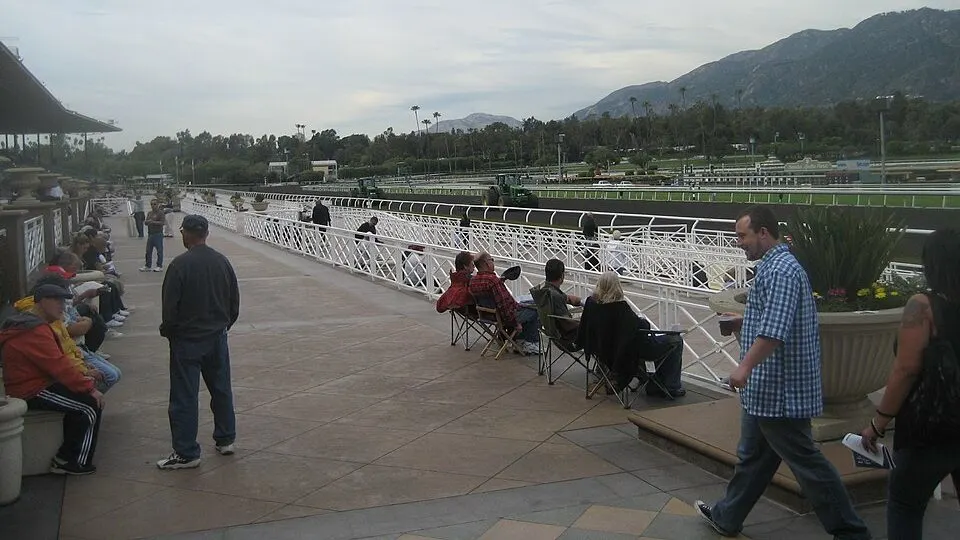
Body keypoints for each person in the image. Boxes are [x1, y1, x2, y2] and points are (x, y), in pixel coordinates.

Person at [695, 205, 870, 539]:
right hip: (766, 391)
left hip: (779, 391)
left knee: (807, 463)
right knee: (753, 458)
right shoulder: (773, 268)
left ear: (763, 233)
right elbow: (773, 316)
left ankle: (851, 531)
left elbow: (776, 330)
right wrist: (741, 321)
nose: (739, 243)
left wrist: (743, 367)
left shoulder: (782, 271)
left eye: (742, 236)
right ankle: (727, 516)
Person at [858, 228, 960, 539]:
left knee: (905, 505)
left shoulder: (923, 306)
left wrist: (878, 424)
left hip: (930, 429)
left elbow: (906, 370)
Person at [157, 215, 240, 470]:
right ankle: (226, 439)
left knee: (184, 395)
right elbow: (233, 303)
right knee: (221, 389)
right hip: (216, 336)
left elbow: (170, 309)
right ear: (206, 233)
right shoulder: (222, 262)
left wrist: (170, 332)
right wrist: (223, 325)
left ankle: (186, 451)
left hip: (188, 340)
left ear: (186, 234)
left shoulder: (180, 265)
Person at [0, 284, 105, 475]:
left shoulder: (31, 324)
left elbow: (59, 362)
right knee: (89, 406)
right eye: (56, 300)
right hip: (30, 390)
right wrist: (89, 388)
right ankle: (70, 461)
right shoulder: (34, 331)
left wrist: (83, 375)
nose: (62, 306)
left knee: (84, 400)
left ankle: (67, 456)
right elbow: (58, 365)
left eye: (63, 300)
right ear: (40, 302)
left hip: (38, 382)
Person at [580, 272, 685, 396]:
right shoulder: (620, 308)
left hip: (601, 349)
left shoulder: (591, 304)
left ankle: (656, 383)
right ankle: (670, 386)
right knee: (675, 340)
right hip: (626, 352)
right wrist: (643, 322)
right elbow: (639, 327)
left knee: (661, 343)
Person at [469, 252, 540, 354]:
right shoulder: (493, 281)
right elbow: (505, 306)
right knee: (536, 309)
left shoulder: (473, 281)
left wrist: (501, 281)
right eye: (491, 260)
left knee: (528, 304)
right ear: (486, 263)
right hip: (504, 317)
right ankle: (530, 343)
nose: (493, 262)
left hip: (487, 316)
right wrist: (515, 324)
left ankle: (520, 341)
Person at [529, 259, 582, 343]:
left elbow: (565, 298)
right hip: (567, 338)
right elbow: (568, 324)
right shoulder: (556, 296)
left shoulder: (545, 292)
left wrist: (575, 300)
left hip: (552, 334)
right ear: (562, 276)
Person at [141, 199, 166, 272]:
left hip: (158, 234)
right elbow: (145, 222)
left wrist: (153, 222)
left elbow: (162, 223)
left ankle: (159, 266)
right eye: (151, 204)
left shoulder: (161, 213)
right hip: (150, 234)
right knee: (148, 251)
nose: (153, 206)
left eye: (154, 204)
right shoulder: (149, 213)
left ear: (158, 204)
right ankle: (148, 265)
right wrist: (147, 222)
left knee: (159, 251)